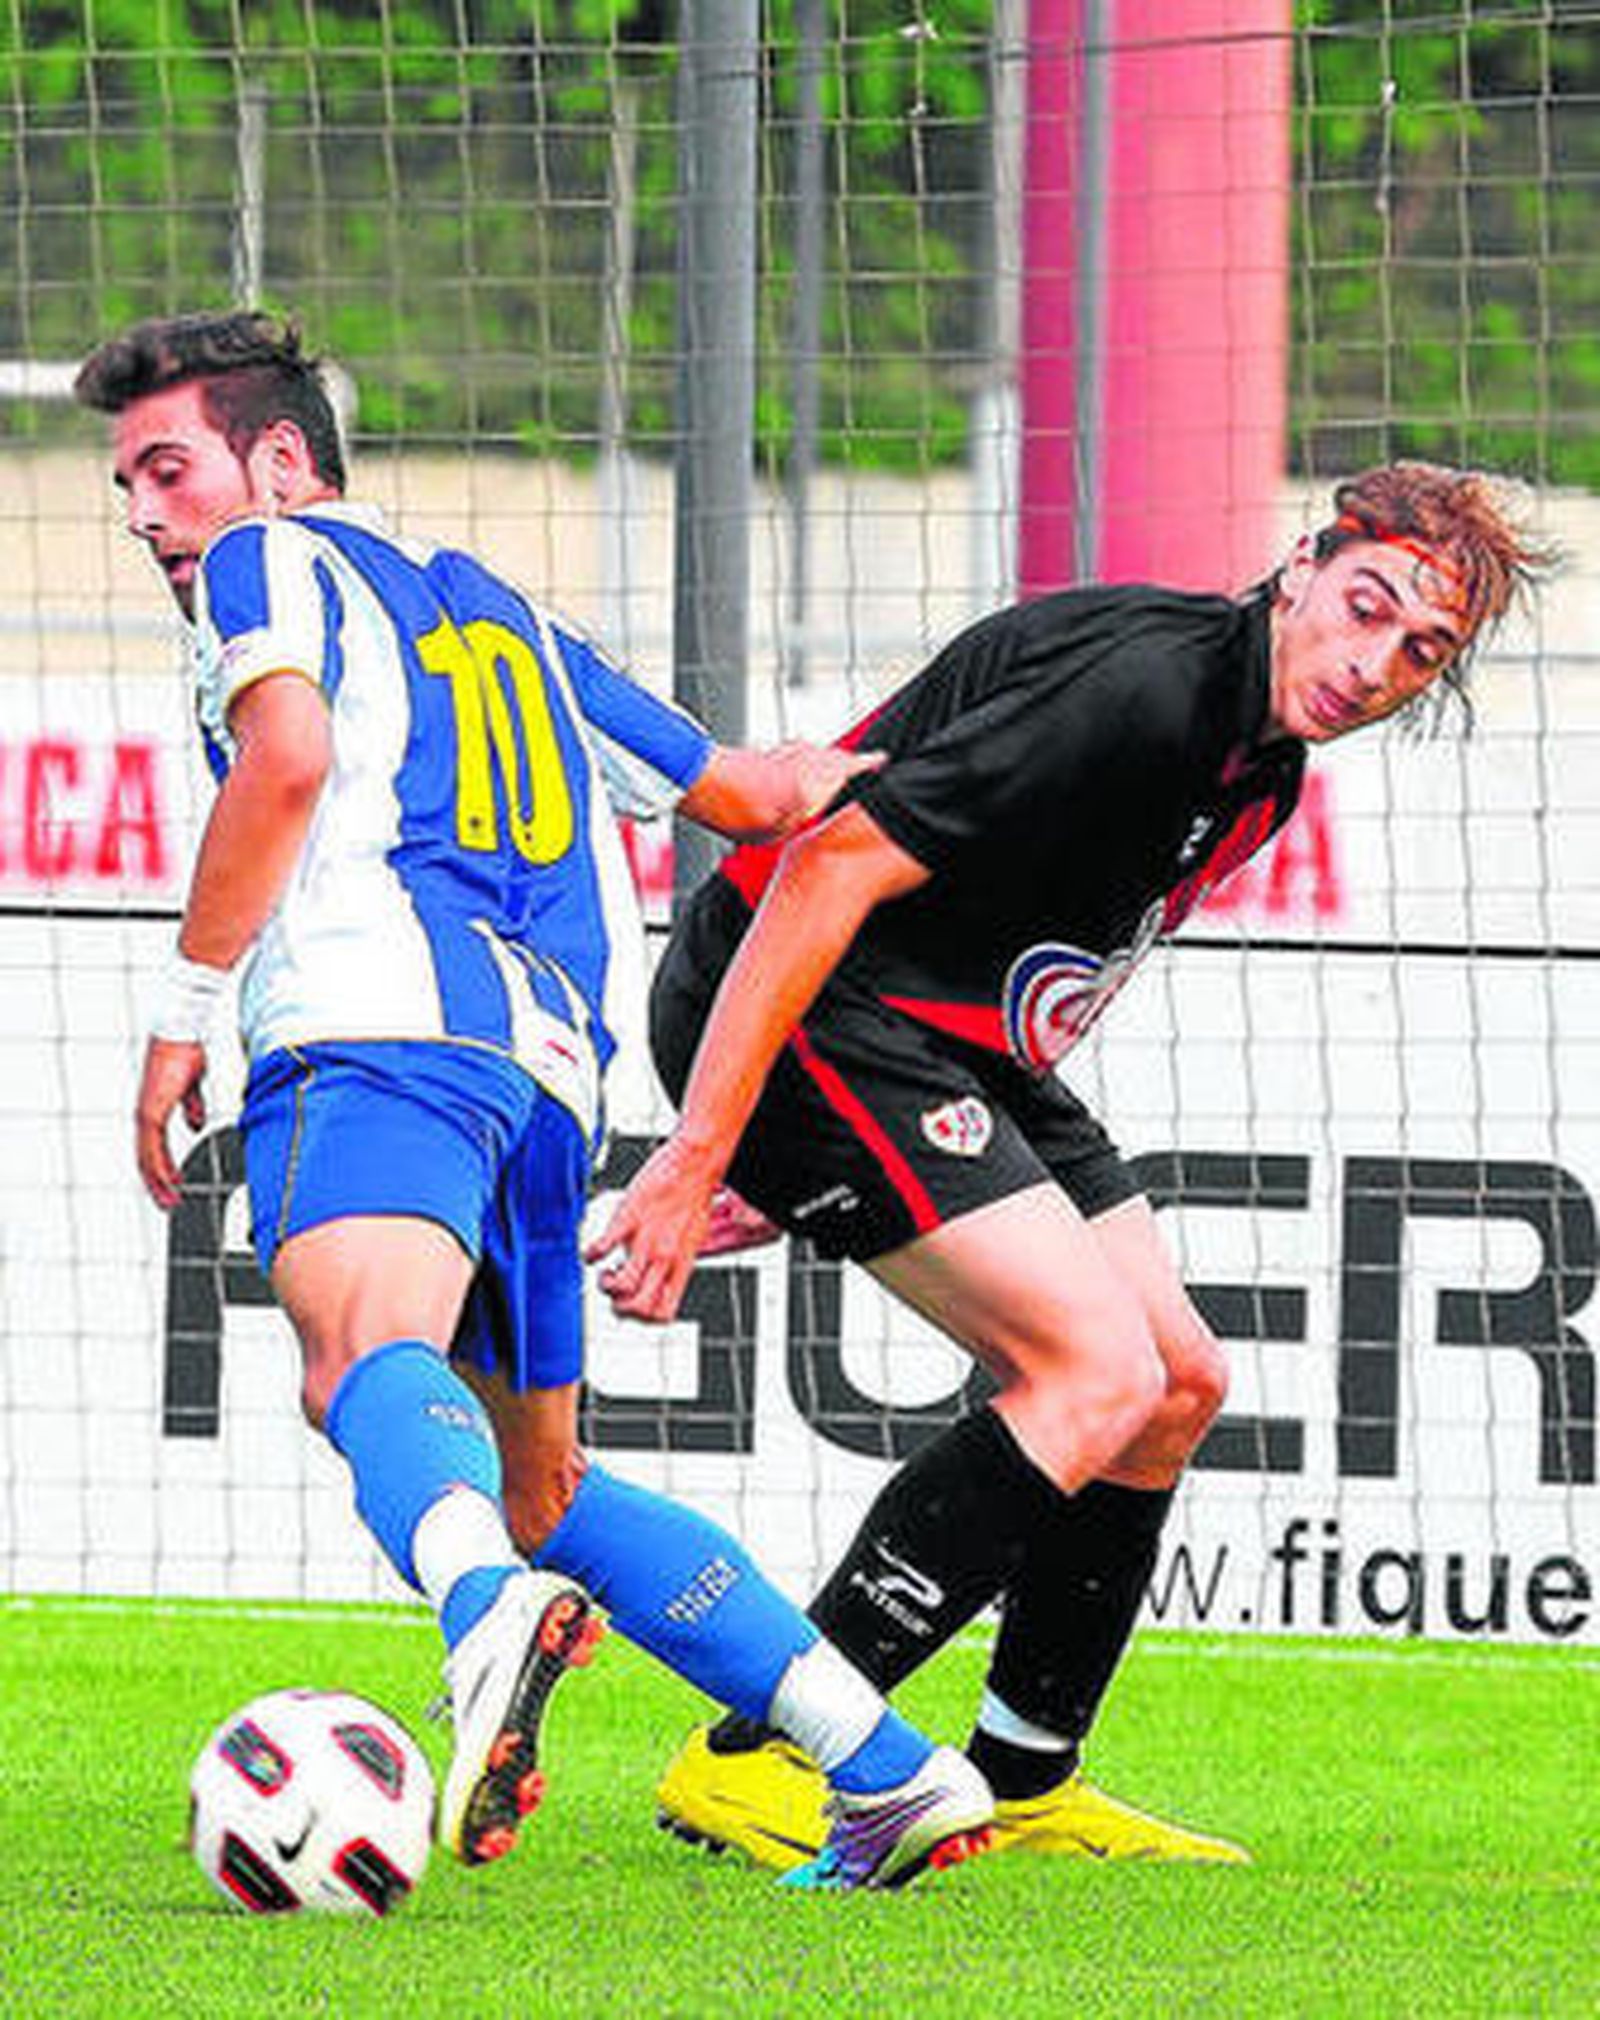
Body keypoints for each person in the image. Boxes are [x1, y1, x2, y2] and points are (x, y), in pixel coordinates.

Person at [76, 308, 995, 1892]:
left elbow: (282, 759)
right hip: (548, 1077)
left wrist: (182, 1012)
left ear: (280, 461)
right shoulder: (509, 623)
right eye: (131, 487)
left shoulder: (266, 560)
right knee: (538, 1487)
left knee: (366, 1360)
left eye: (170, 469)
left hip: (372, 1026)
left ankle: (479, 1613)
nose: (151, 512)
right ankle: (887, 1765)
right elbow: (761, 793)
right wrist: (1006, 756)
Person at [586, 462, 1551, 1870]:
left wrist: (825, 1162)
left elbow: (1022, 955)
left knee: (1176, 1385)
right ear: (1301, 563)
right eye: (1366, 607)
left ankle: (1025, 1775)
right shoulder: (1147, 695)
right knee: (1092, 1373)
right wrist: (710, 1145)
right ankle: (760, 1757)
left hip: (941, 1036)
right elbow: (820, 872)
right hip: (818, 998)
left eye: (1422, 652)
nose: (1378, 664)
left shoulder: (1257, 756)